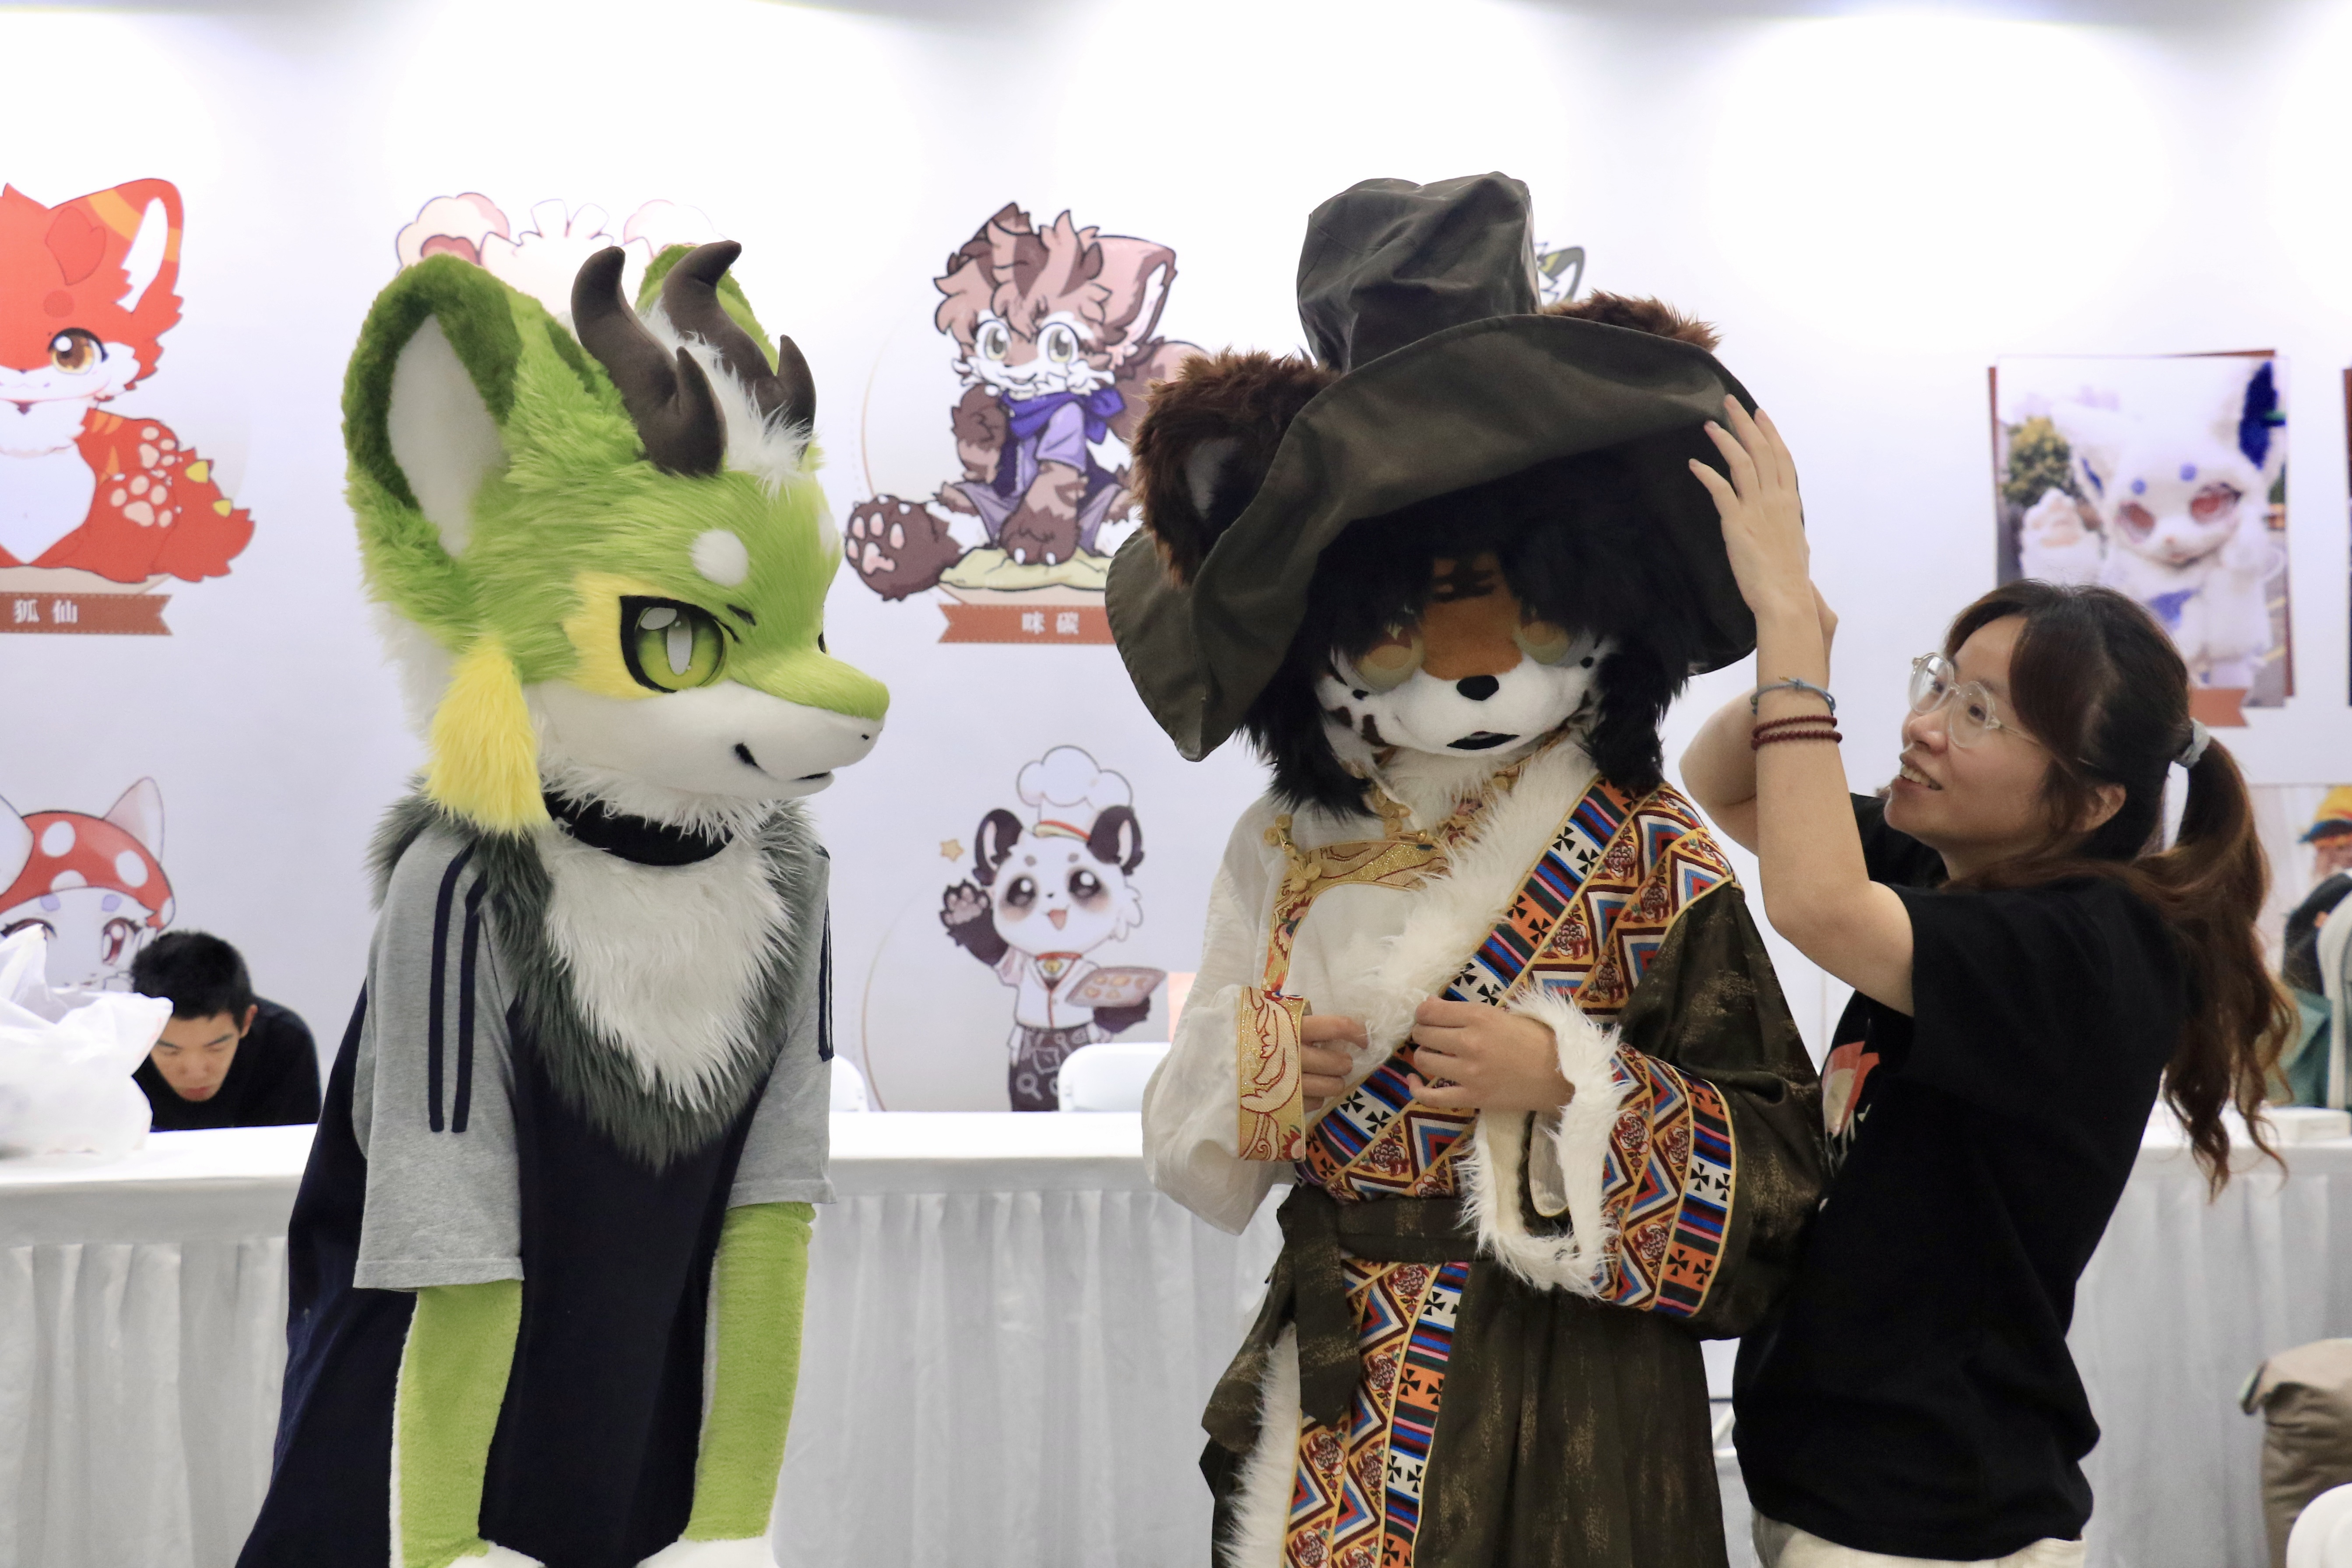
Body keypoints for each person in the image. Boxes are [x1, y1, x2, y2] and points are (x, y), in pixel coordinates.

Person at [1681, 400, 2292, 1567]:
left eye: (1976, 713)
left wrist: (1788, 645)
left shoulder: (2091, 943)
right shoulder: (1959, 873)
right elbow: (1726, 783)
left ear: (2089, 799)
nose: (1919, 727)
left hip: (1928, 1516)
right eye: (1938, 682)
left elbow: (1811, 902)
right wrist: (1793, 621)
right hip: (1856, 1490)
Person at [130, 930, 320, 1130]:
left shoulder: (284, 1042)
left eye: (216, 1048)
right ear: (141, 1027)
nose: (195, 1073)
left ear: (247, 1021)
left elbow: (294, 1150)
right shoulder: (110, 1049)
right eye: (171, 1051)